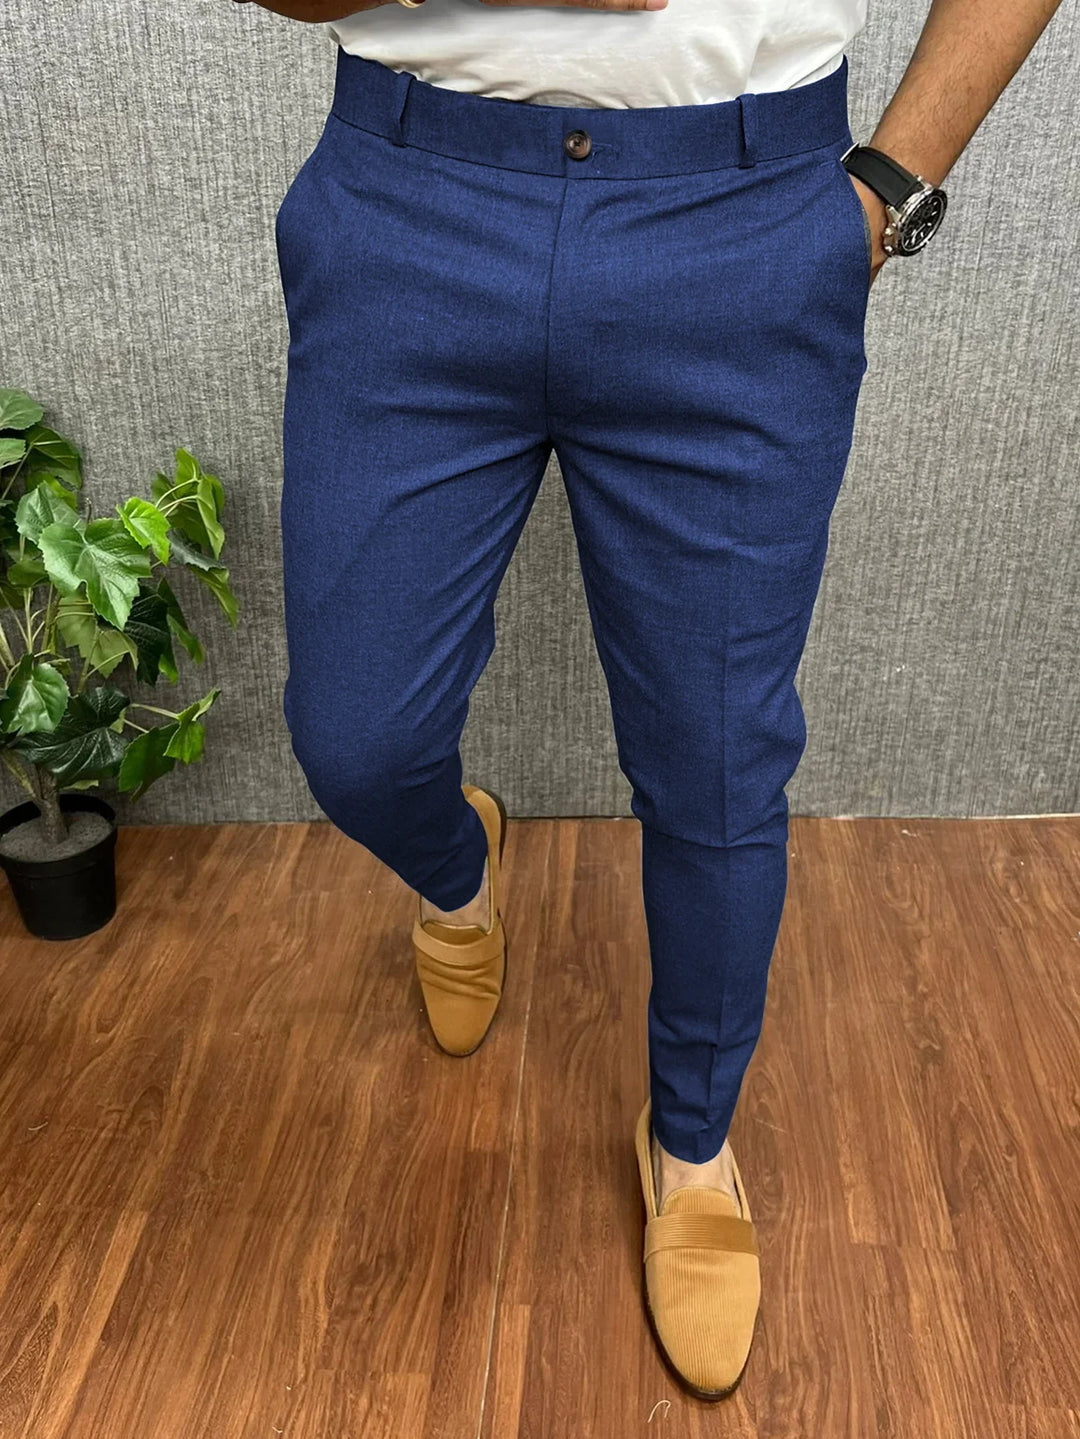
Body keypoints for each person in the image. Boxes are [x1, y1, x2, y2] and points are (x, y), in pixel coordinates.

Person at [244, 0, 1064, 1401]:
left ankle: (690, 1147)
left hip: (742, 225)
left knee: (716, 766)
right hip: (411, 210)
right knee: (357, 738)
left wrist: (887, 186)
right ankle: (457, 867)